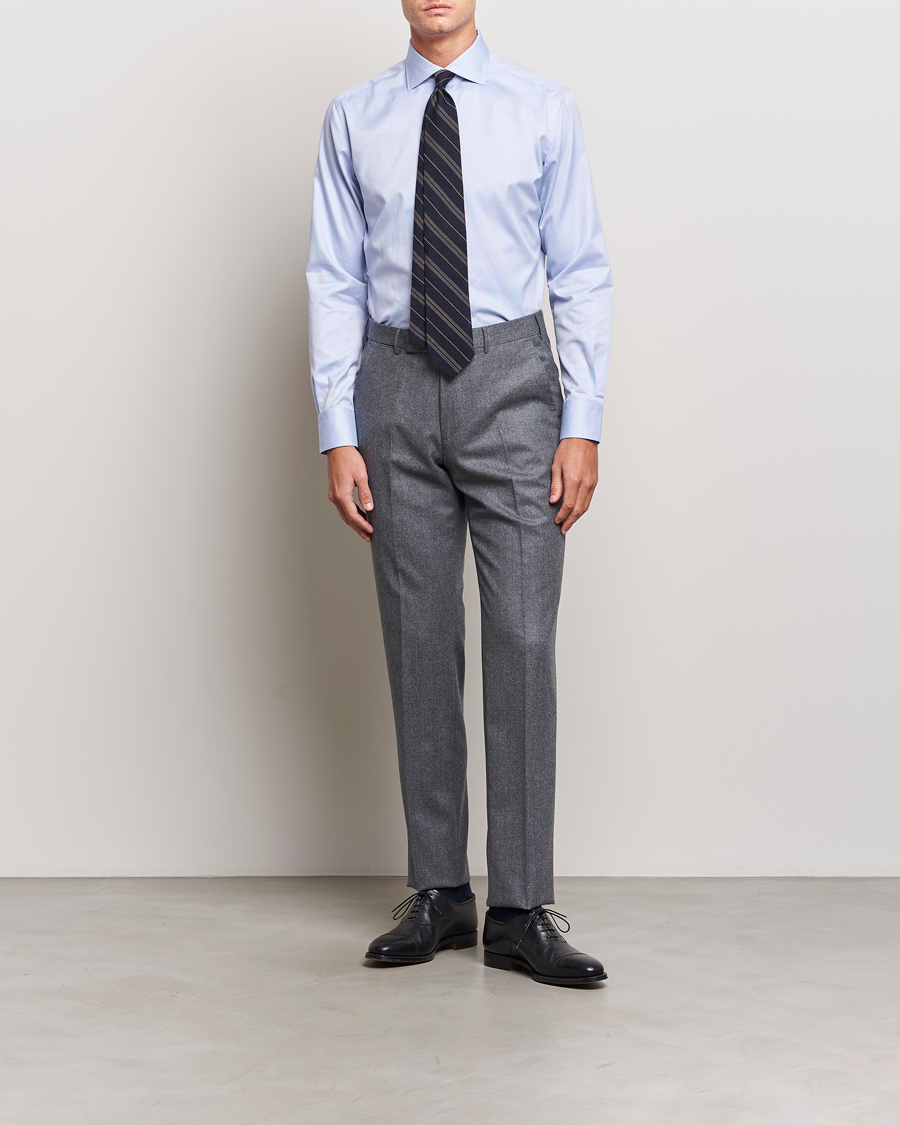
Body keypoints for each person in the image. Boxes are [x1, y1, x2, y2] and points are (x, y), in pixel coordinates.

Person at [306, 0, 612, 987]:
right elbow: (335, 277)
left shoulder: (543, 108)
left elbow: (580, 268)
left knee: (521, 635)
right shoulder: (355, 116)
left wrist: (582, 420)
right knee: (418, 636)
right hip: (392, 382)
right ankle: (439, 890)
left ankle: (520, 906)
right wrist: (338, 429)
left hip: (513, 380)